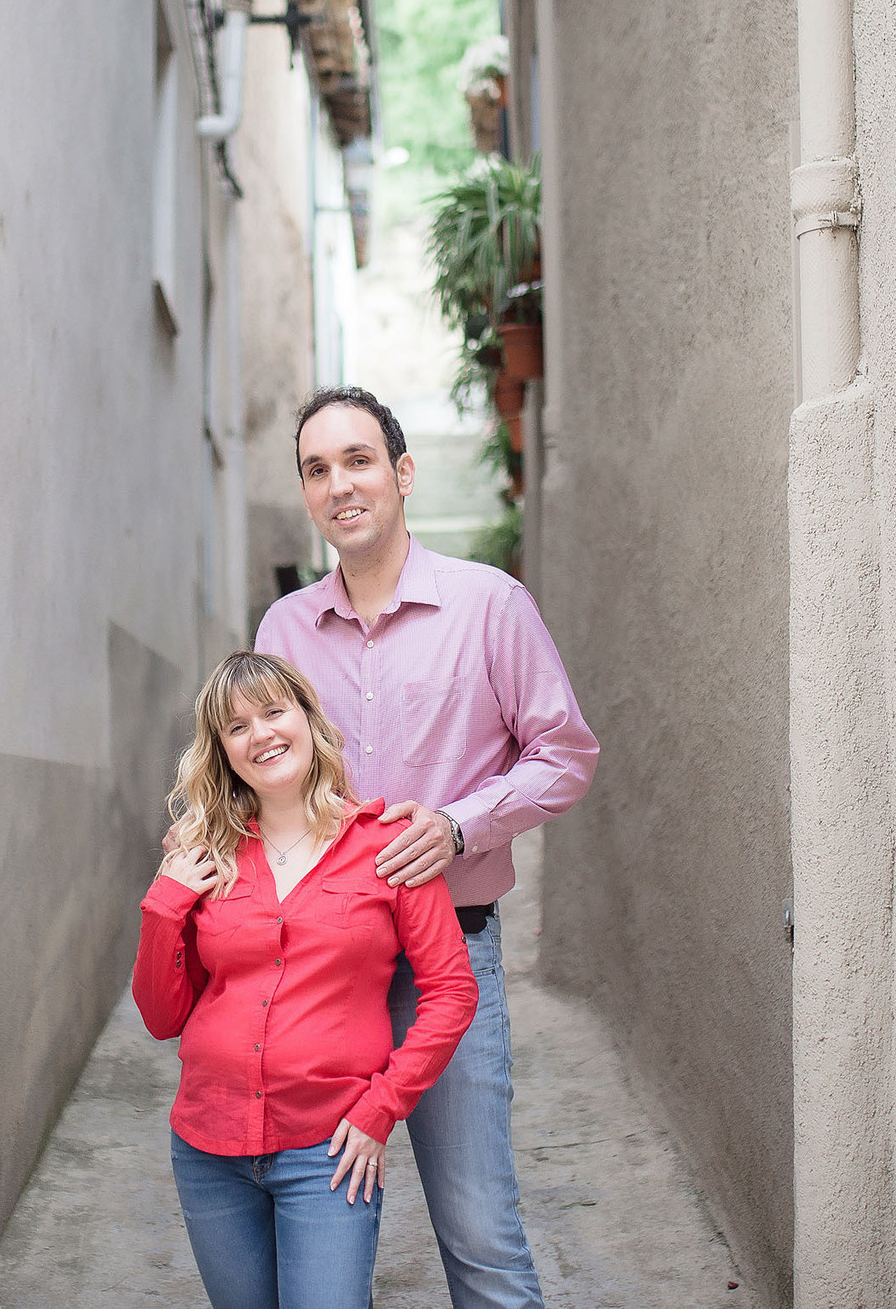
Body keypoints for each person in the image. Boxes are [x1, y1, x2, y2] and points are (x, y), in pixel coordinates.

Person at [254, 385, 598, 1309]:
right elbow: (261, 786)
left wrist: (459, 826)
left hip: (450, 955)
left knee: (480, 1232)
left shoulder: (490, 606)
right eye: (317, 469)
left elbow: (566, 756)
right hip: (321, 971)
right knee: (318, 1236)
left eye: (358, 460)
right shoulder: (283, 632)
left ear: (402, 474)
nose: (340, 485)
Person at [135, 650, 480, 1309]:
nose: (260, 733)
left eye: (273, 711)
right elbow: (160, 1016)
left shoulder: (388, 844)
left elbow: (451, 990)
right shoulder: (204, 854)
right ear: (223, 751)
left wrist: (383, 1107)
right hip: (208, 1150)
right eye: (237, 726)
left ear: (307, 720)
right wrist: (164, 904)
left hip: (329, 1151)